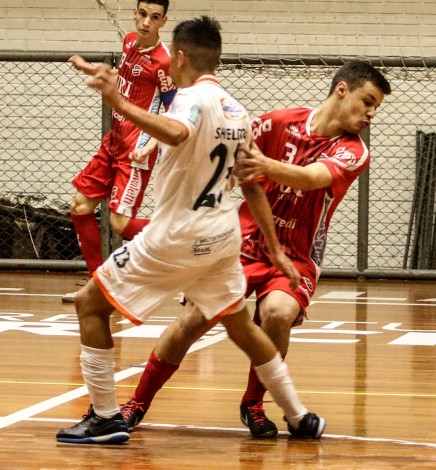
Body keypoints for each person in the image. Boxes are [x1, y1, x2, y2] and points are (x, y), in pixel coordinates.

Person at [56, 15, 326, 445]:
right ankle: (299, 415)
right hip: (223, 237)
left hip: (178, 235)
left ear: (180, 57)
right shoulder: (238, 111)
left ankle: (105, 417)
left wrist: (119, 102)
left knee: (90, 305)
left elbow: (176, 131)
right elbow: (252, 184)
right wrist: (276, 250)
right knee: (242, 327)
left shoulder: (189, 98)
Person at [121, 61, 391, 438]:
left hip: (295, 254)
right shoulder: (277, 122)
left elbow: (312, 178)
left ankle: (254, 404)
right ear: (342, 90)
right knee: (194, 319)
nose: (371, 114)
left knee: (277, 312)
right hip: (242, 242)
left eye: (376, 107)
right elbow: (231, 157)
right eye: (368, 102)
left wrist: (265, 165)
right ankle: (135, 404)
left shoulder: (354, 151)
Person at [63, 0, 175, 303]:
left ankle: (183, 237)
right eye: (143, 14)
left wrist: (150, 146)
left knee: (120, 224)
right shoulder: (129, 41)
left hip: (136, 148)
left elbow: (173, 112)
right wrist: (90, 69)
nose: (146, 22)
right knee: (80, 207)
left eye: (154, 17)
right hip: (114, 140)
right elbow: (124, 76)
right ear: (134, 13)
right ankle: (98, 284)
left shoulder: (164, 62)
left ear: (163, 22)